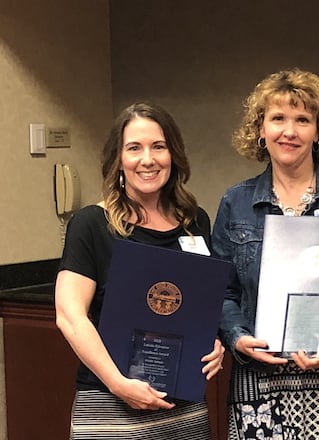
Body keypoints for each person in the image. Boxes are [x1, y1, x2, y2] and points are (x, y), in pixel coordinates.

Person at [212, 68, 319, 440]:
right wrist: (238, 338)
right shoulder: (236, 202)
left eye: (302, 120)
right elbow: (222, 293)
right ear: (260, 129)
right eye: (277, 118)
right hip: (258, 385)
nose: (289, 131)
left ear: (318, 132)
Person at [55, 102, 224, 439]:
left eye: (158, 147)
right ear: (118, 159)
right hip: (110, 405)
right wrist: (118, 384)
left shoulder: (195, 222)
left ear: (173, 155)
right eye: (134, 148)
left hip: (184, 410)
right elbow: (69, 315)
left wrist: (214, 341)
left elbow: (199, 306)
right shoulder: (91, 224)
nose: (148, 159)